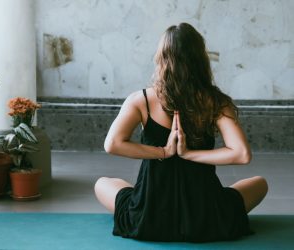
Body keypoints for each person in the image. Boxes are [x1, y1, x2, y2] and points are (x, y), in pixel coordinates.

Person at [94, 23, 268, 242]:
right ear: (200, 59)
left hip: (149, 216)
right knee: (260, 183)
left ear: (161, 58)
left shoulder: (141, 100)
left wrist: (164, 152)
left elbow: (112, 144)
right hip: (206, 217)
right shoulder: (215, 102)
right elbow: (242, 154)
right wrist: (189, 154)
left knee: (102, 183)